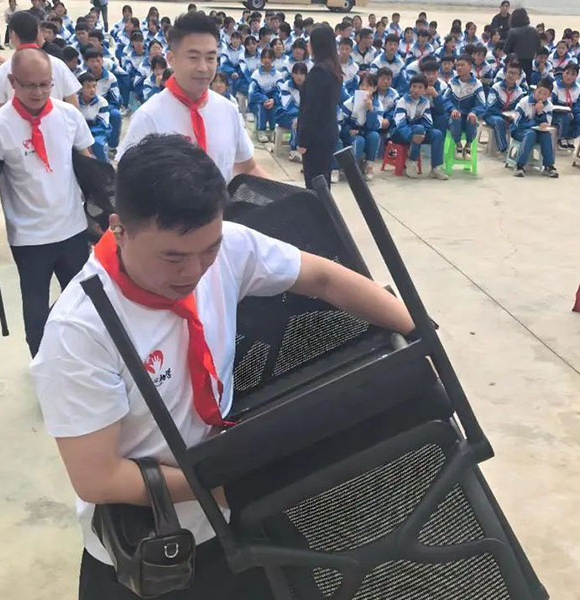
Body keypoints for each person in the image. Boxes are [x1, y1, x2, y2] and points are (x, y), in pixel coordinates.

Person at [31, 133, 415, 600]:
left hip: (234, 517)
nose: (194, 271)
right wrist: (227, 488)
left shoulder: (226, 248)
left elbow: (322, 277)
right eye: (172, 257)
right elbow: (98, 477)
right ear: (119, 229)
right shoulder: (80, 330)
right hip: (153, 553)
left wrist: (419, 332)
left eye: (207, 250)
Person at [0, 48, 95, 357]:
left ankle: (79, 360)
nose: (39, 92)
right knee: (36, 310)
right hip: (30, 238)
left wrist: (100, 217)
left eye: (45, 84)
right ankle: (42, 364)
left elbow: (91, 169)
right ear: (13, 82)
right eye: (29, 85)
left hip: (72, 229)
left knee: (84, 303)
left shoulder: (68, 116)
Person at [120, 12, 263, 182]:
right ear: (171, 59)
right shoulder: (148, 117)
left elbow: (249, 167)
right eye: (193, 57)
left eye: (210, 58)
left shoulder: (228, 110)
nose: (203, 67)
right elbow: (126, 184)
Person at [0, 11, 80, 111]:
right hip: (55, 119)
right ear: (38, 33)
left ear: (12, 34)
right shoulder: (58, 65)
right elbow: (74, 106)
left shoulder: (3, 71)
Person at [297, 23, 342, 188]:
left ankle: (320, 207)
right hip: (327, 133)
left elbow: (311, 109)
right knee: (323, 181)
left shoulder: (319, 72)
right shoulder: (333, 68)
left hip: (316, 137)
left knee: (315, 183)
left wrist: (303, 140)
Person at [392, 74, 447, 179]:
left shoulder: (425, 102)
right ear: (410, 88)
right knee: (418, 129)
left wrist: (423, 133)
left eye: (420, 87)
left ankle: (436, 168)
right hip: (400, 134)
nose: (416, 90)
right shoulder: (402, 101)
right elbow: (400, 124)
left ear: (424, 90)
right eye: (414, 86)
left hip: (419, 133)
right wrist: (411, 136)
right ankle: (412, 162)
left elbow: (428, 122)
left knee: (437, 134)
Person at [510, 77, 558, 178]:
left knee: (546, 135)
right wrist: (534, 123)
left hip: (538, 132)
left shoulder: (549, 106)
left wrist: (540, 113)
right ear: (535, 90)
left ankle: (549, 166)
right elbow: (517, 122)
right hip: (519, 131)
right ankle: (519, 165)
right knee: (530, 134)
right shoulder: (524, 102)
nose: (541, 96)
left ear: (549, 96)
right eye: (539, 92)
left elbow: (546, 123)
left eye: (545, 94)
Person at [446, 55, 485, 157]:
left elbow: (482, 104)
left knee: (472, 119)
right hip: (454, 118)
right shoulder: (452, 83)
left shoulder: (477, 84)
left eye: (462, 65)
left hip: (468, 117)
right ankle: (458, 145)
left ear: (470, 66)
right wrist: (452, 109)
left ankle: (468, 145)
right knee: (455, 117)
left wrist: (474, 112)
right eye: (457, 65)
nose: (459, 68)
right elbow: (445, 100)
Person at [483, 61, 525, 154]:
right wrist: (504, 115)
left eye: (515, 74)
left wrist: (514, 116)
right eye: (509, 72)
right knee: (499, 121)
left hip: (509, 117)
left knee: (522, 122)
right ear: (505, 73)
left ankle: (520, 151)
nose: (511, 75)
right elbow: (491, 107)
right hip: (492, 115)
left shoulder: (519, 92)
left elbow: (519, 109)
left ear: (519, 77)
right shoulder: (496, 87)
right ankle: (503, 149)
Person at [76, 71, 111, 162]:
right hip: (78, 133)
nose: (92, 90)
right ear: (80, 88)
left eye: (94, 86)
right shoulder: (74, 102)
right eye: (88, 87)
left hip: (97, 133)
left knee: (98, 144)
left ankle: (105, 168)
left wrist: (88, 138)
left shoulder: (102, 102)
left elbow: (103, 125)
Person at [249, 47, 280, 143]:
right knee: (261, 107)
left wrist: (273, 100)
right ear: (261, 59)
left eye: (269, 58)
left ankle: (272, 130)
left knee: (276, 107)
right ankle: (261, 130)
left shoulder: (278, 75)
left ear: (273, 59)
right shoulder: (256, 75)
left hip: (273, 101)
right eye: (264, 57)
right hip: (259, 101)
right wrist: (264, 99)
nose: (266, 60)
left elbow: (280, 91)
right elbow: (252, 92)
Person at [504, 8, 539, 85]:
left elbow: (506, 49)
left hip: (515, 62)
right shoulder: (534, 31)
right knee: (527, 82)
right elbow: (538, 47)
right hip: (529, 61)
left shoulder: (513, 31)